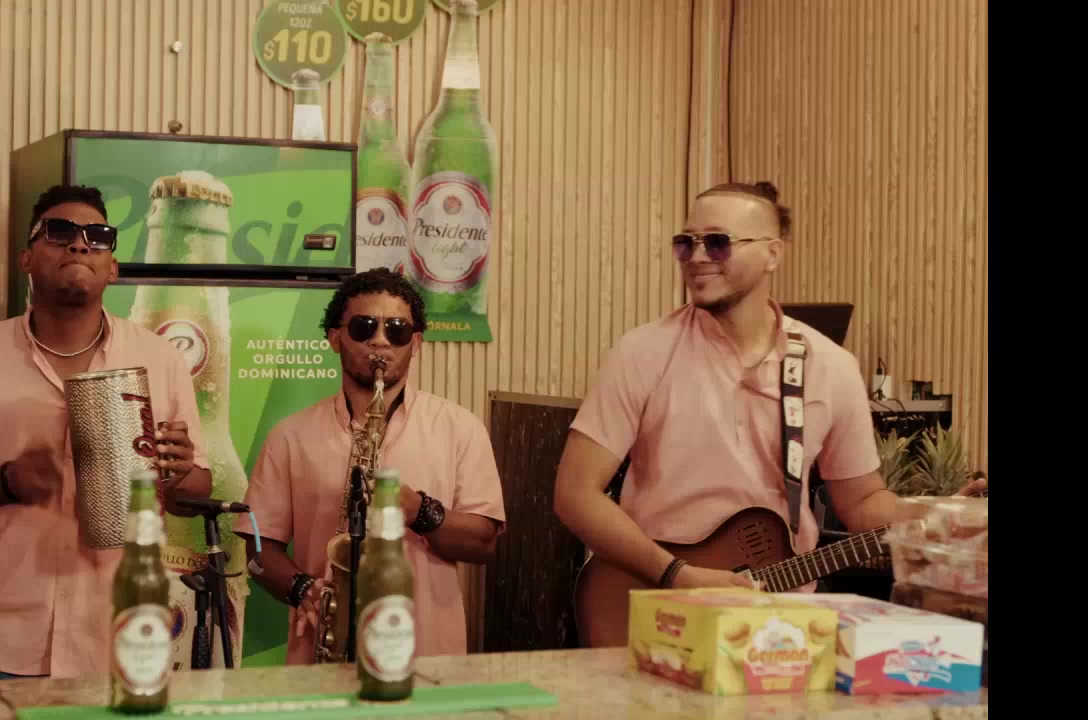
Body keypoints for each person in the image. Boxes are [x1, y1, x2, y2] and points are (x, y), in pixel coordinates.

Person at [554, 181, 984, 594]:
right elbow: (575, 494)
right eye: (686, 243)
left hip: (781, 612)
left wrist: (941, 514)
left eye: (717, 242)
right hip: (657, 599)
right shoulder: (641, 353)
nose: (697, 257)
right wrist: (677, 574)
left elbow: (861, 503)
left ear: (772, 254)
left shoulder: (831, 367)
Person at [0, 184, 213, 682]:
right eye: (59, 231)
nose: (79, 244)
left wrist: (178, 474)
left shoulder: (160, 359)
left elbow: (196, 492)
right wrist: (3, 483)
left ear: (113, 268)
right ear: (26, 258)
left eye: (98, 236)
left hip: (119, 642)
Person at [234, 268, 505, 664]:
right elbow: (258, 551)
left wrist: (420, 511)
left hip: (428, 660)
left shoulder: (461, 428)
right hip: (324, 656)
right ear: (335, 338)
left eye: (397, 330)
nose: (380, 340)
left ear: (415, 343)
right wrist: (302, 589)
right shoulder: (289, 436)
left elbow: (484, 542)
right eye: (364, 327)